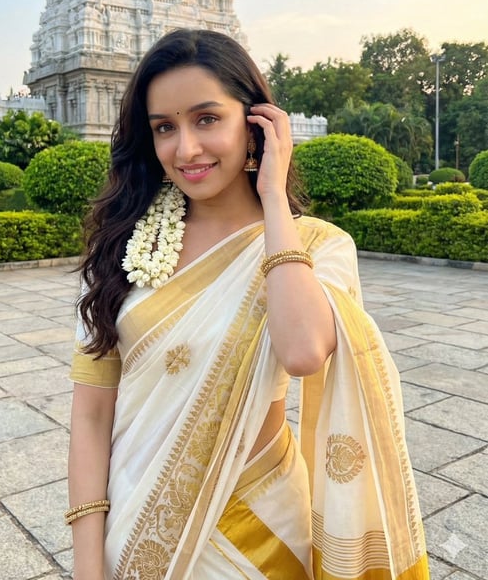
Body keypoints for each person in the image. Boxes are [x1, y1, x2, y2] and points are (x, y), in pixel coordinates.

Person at [67, 29, 429, 580]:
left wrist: (273, 199)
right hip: (132, 526)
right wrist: (88, 564)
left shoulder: (317, 245)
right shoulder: (125, 246)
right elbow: (91, 416)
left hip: (259, 530)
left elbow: (303, 351)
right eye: (165, 127)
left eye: (207, 119)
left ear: (256, 123)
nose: (186, 149)